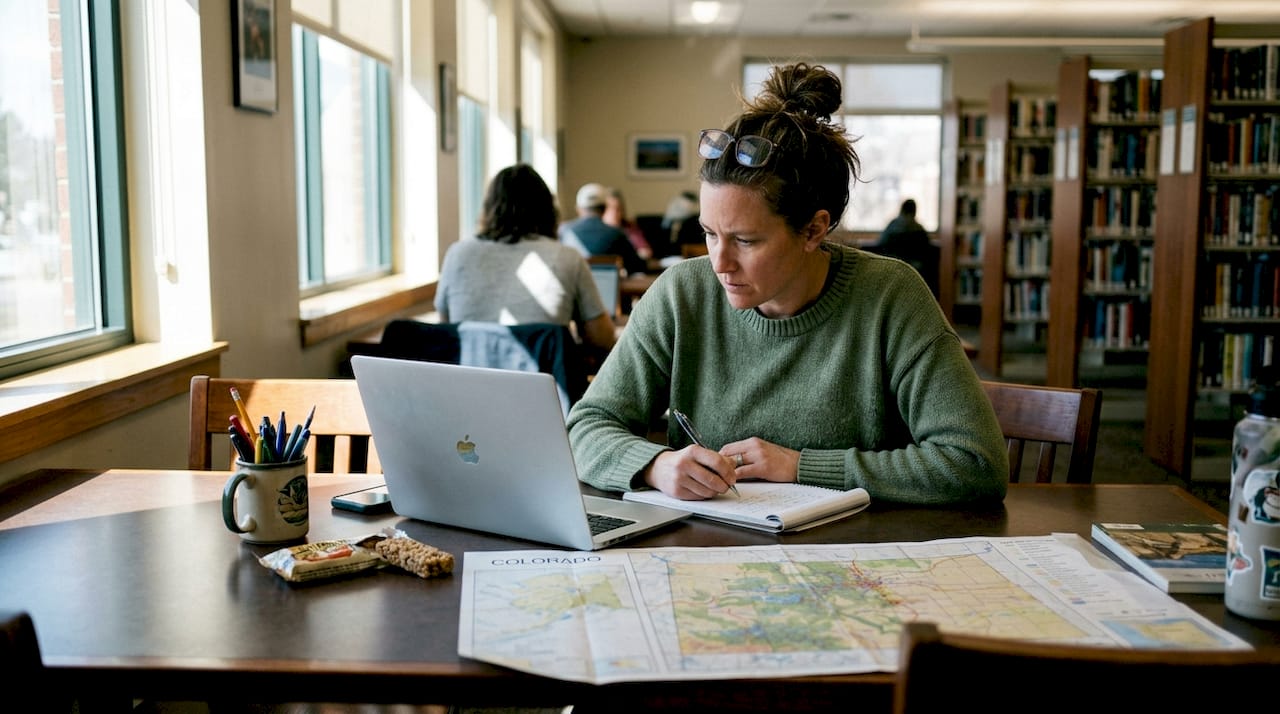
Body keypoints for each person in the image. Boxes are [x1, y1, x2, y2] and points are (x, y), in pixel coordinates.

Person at [565, 62, 1008, 506]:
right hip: (709, 551)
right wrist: (654, 465)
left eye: (745, 240)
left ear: (814, 230)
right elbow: (587, 426)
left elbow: (975, 463)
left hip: (853, 556)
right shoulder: (680, 295)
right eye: (709, 233)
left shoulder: (890, 296)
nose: (719, 263)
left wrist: (801, 467)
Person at [435, 164, 615, 356]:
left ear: (488, 207)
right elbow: (601, 340)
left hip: (468, 382)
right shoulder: (568, 258)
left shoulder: (457, 254)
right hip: (542, 383)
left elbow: (446, 329)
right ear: (548, 209)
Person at [559, 182, 647, 275]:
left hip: (572, 288)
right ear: (605, 208)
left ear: (578, 209)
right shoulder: (616, 233)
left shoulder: (563, 231)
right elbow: (638, 266)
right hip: (607, 288)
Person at [868, 198, 939, 296]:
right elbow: (927, 251)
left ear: (901, 209)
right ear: (914, 211)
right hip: (915, 272)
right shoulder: (919, 229)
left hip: (892, 268)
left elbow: (881, 243)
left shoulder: (892, 225)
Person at [603, 187, 653, 261]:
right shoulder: (598, 230)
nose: (614, 213)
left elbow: (646, 252)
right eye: (610, 208)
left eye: (618, 209)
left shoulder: (629, 228)